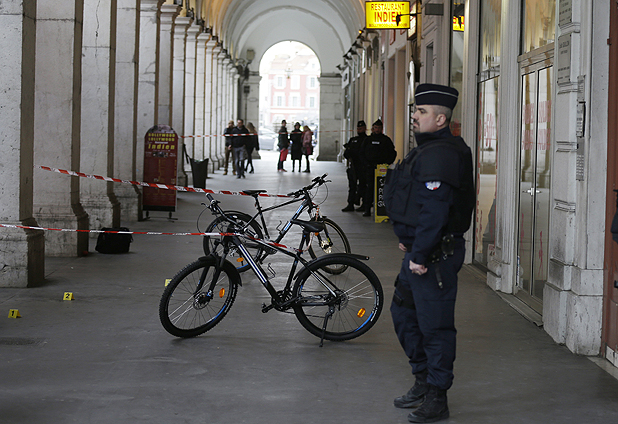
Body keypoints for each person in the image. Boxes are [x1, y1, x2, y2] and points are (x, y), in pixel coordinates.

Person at [385, 84, 474, 423]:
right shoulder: (428, 149)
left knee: (435, 328)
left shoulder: (442, 154)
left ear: (440, 119)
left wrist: (420, 254)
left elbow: (435, 212)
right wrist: (409, 240)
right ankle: (423, 380)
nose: (414, 116)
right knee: (404, 313)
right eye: (415, 110)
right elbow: (416, 202)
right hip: (419, 252)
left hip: (433, 258)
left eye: (421, 112)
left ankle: (438, 397)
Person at [358, 119, 397, 216]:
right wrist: (366, 164)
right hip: (370, 167)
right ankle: (367, 209)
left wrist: (387, 163)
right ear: (372, 128)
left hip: (382, 168)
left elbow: (392, 153)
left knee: (382, 189)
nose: (377, 130)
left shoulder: (386, 140)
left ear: (382, 129)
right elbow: (361, 153)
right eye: (375, 128)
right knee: (369, 189)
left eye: (379, 128)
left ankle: (382, 210)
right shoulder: (368, 140)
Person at [341, 120, 368, 211]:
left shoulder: (367, 140)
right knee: (352, 186)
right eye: (358, 128)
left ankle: (364, 204)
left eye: (361, 128)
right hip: (353, 166)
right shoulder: (353, 140)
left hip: (363, 166)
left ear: (365, 128)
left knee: (363, 186)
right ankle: (351, 203)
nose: (359, 130)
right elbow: (346, 154)